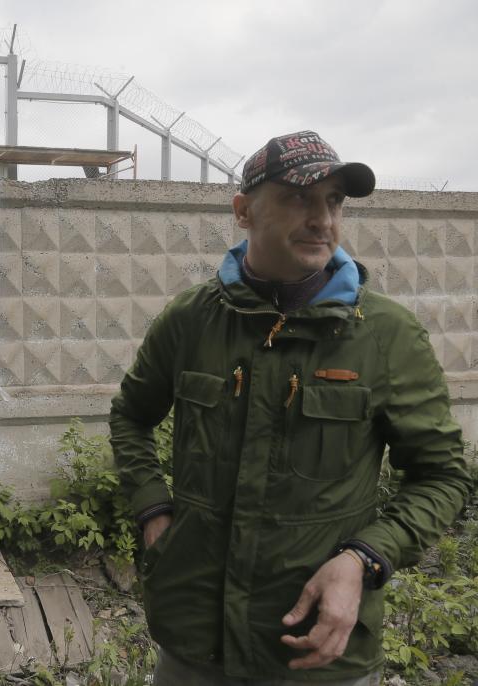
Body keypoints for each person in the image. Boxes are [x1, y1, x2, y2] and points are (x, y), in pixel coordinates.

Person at [109, 130, 473, 685]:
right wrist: (152, 509)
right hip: (193, 641)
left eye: (333, 201)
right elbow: (131, 416)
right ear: (243, 211)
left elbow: (443, 476)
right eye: (299, 198)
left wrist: (363, 559)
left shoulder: (386, 336)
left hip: (315, 653)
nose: (322, 219)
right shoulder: (191, 321)